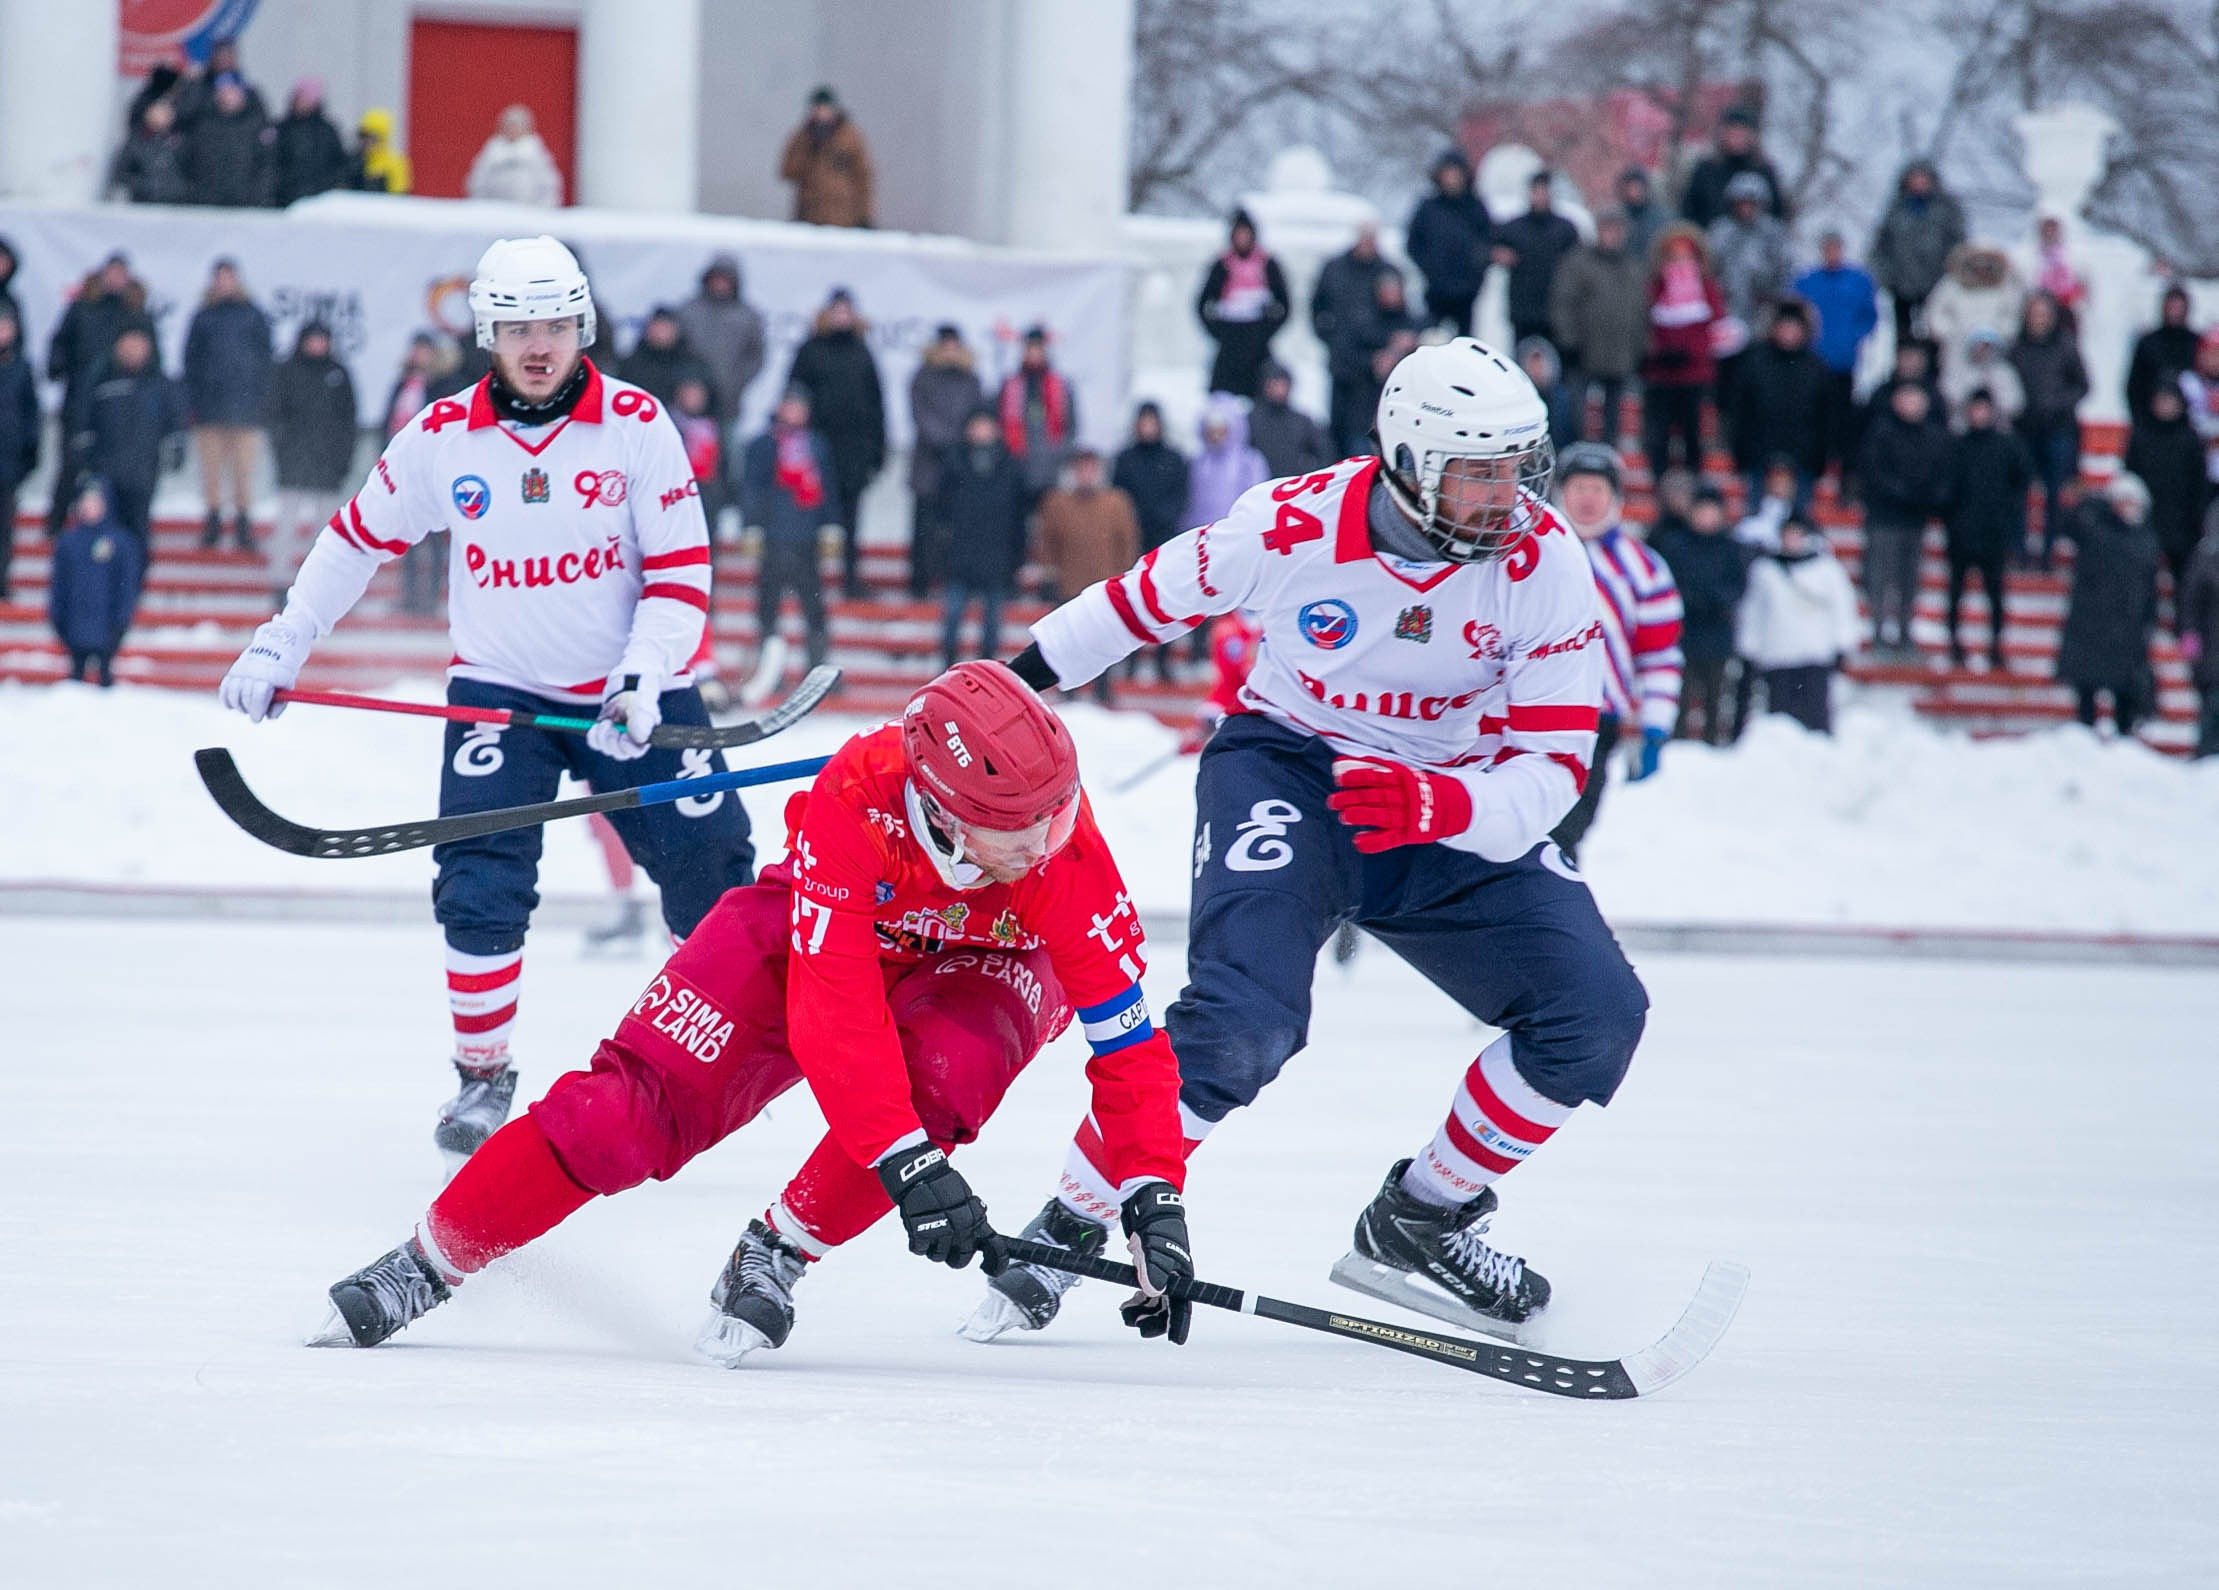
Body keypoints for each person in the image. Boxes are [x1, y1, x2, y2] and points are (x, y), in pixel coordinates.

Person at [968, 338, 1645, 1346]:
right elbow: (1135, 602)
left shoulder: (1542, 560)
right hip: (1286, 769)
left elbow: (1549, 775)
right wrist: (998, 690)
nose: (1509, 498)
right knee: (1243, 1023)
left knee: (1595, 1014)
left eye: (1518, 468)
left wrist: (1439, 808)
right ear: (1410, 462)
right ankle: (1070, 1222)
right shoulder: (1287, 526)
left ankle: (1420, 1218)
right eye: (1479, 473)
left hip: (1442, 803)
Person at [313, 661, 1196, 1361]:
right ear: (944, 810)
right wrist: (906, 1167)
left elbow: (1129, 1046)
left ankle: (780, 1247)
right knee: (623, 1113)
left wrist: (1153, 1193)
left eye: (1058, 815)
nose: (1048, 843)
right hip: (824, 939)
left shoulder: (1063, 859)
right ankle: (426, 1263)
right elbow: (835, 1011)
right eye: (1020, 829)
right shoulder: (857, 800)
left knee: (946, 1071)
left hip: (991, 961)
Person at [217, 236, 755, 1165]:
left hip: (635, 690)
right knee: (477, 882)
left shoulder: (637, 423)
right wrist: (283, 638)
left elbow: (680, 569)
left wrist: (640, 675)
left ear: (580, 324)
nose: (537, 344)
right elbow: (353, 542)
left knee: (713, 872)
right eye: (516, 326)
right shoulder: (439, 437)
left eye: (552, 324)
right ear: (486, 332)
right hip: (501, 691)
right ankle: (481, 1073)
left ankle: (711, 1062)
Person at [1546, 444, 1682, 863]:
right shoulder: (1530, 557)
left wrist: (1655, 728)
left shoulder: (1643, 567)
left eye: (1597, 489)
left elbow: (1659, 655)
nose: (1587, 499)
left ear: (1615, 498)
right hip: (1529, 718)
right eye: (1579, 487)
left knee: (1568, 833)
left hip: (1597, 723)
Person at [785, 288, 885, 598]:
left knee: (851, 523)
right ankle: (805, 581)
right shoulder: (810, 350)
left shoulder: (862, 352)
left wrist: (876, 453)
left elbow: (876, 406)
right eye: (836, 311)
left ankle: (850, 580)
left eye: (846, 311)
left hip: (852, 455)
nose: (842, 317)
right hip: (814, 452)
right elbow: (793, 397)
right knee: (808, 519)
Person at [45, 254, 154, 535]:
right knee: (72, 462)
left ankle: (112, 529)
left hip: (118, 404)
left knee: (113, 472)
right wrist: (58, 367)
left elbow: (152, 358)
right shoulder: (82, 308)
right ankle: (56, 522)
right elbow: (60, 343)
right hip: (79, 399)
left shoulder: (135, 313)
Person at [740, 385, 837, 673]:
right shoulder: (763, 444)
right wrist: (752, 525)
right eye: (790, 406)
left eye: (800, 406)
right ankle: (769, 670)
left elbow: (827, 487)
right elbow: (752, 487)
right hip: (773, 534)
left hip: (806, 536)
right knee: (768, 607)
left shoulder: (816, 444)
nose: (795, 412)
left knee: (814, 606)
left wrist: (830, 524)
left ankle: (817, 667)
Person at [2056, 473, 2161, 735]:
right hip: (2092, 623)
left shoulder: (2146, 540)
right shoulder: (2096, 529)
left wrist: (2150, 619)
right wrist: (2091, 502)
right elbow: (2070, 525)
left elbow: (2151, 586)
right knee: (2086, 692)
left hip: (2127, 627)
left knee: (2125, 695)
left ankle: (2123, 743)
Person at [1032, 449, 1140, 705]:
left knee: (1105, 643)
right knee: (1068, 643)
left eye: (1091, 468)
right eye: (1081, 468)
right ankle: (1067, 692)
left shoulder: (1116, 502)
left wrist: (1127, 576)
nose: (1086, 474)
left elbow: (1127, 541)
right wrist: (1049, 573)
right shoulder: (1057, 502)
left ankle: (1103, 693)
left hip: (1106, 587)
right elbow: (1047, 542)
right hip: (1069, 585)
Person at [1734, 514, 1861, 732]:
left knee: (1816, 720)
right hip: (1778, 655)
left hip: (1815, 655)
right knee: (1780, 724)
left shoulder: (1827, 569)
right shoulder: (1765, 570)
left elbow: (1844, 608)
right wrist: (1749, 648)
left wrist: (1844, 643)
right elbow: (1753, 612)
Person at [1855, 379, 1953, 656]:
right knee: (1880, 576)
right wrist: (1902, 493)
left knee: (1909, 579)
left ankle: (1905, 632)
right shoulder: (1880, 432)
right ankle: (1877, 633)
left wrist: (1928, 498)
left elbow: (1943, 472)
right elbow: (1874, 470)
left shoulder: (1934, 436)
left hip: (1916, 520)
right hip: (1884, 517)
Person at [182, 258, 274, 552]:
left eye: (229, 277)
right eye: (219, 278)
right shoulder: (203, 317)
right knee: (210, 470)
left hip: (245, 410)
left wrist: (261, 402)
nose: (224, 283)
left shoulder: (253, 315)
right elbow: (190, 363)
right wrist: (192, 404)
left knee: (244, 471)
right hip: (209, 409)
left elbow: (265, 361)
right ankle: (213, 520)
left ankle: (243, 522)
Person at [264, 322, 359, 601]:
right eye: (313, 340)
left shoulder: (338, 374)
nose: (317, 346)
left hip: (328, 465)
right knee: (286, 526)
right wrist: (284, 451)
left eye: (322, 340)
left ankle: (323, 582)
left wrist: (343, 461)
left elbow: (348, 422)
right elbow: (273, 414)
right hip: (294, 462)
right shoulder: (287, 371)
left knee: (327, 531)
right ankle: (280, 583)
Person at [1649, 482, 1745, 743]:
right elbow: (1667, 582)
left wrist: (1716, 600)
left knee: (1715, 694)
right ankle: (1676, 743)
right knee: (1681, 692)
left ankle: (1712, 744)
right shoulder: (1675, 544)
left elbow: (1738, 585)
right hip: (1685, 631)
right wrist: (1689, 600)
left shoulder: (1731, 547)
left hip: (1717, 631)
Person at [1944, 389, 2032, 671]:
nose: (1979, 414)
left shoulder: (2007, 445)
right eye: (1975, 408)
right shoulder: (1957, 445)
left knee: (1995, 593)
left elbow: (2023, 479)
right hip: (1961, 532)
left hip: (1994, 532)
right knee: (1956, 591)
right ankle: (1955, 643)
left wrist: (2007, 510)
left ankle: (1995, 645)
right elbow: (1946, 485)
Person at [936, 407, 1029, 670]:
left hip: (996, 558)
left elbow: (1018, 520)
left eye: (986, 426)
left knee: (991, 625)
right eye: (976, 426)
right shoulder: (954, 463)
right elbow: (941, 513)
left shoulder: (1010, 466)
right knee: (952, 620)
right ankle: (946, 671)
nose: (981, 432)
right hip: (960, 556)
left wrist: (1016, 559)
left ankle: (986, 675)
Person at [1548, 206, 1649, 447]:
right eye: (1607, 229)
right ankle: (1577, 448)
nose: (1612, 235)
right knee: (1577, 411)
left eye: (1617, 230)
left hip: (1620, 353)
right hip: (1584, 350)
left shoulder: (1633, 267)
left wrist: (1641, 346)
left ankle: (1608, 452)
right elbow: (1563, 301)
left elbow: (1641, 310)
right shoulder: (1578, 262)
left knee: (1614, 411)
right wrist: (1568, 340)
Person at [73, 326, 182, 546]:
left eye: (139, 344)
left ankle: (134, 579)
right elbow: (83, 420)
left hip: (144, 470)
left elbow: (174, 421)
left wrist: (176, 449)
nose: (133, 350)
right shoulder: (100, 380)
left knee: (138, 532)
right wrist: (85, 455)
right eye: (128, 344)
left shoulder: (160, 384)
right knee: (102, 533)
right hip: (105, 470)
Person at [1706, 171, 1794, 436]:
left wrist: (1767, 292)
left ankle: (1748, 429)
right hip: (1725, 316)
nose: (1746, 208)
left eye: (1751, 202)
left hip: (1760, 317)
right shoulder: (1721, 232)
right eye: (1741, 202)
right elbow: (1709, 270)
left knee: (1755, 375)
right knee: (1724, 377)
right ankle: (1722, 428)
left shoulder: (1773, 234)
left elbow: (1783, 273)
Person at [2009, 291, 2089, 567]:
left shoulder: (2065, 345)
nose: (2038, 319)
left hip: (2058, 429)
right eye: (2034, 313)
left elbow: (2083, 385)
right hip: (2023, 430)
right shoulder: (2016, 347)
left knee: (2055, 492)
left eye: (2043, 313)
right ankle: (2018, 549)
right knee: (2018, 490)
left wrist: (2059, 403)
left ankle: (2047, 552)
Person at [1112, 401, 1190, 684]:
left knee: (1165, 603)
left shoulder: (1174, 458)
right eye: (1142, 421)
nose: (1147, 427)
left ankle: (1162, 660)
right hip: (1132, 538)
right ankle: (1130, 659)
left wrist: (1163, 517)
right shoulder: (1125, 459)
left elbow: (1181, 496)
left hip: (1165, 539)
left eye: (1151, 421)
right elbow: (1118, 498)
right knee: (1131, 601)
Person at [1641, 224, 1725, 480]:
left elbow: (1715, 328)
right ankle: (1659, 483)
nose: (1680, 262)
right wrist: (1656, 352)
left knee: (1693, 435)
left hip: (1694, 375)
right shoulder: (1654, 287)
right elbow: (1641, 324)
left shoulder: (1707, 288)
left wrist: (1692, 353)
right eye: (1674, 256)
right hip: (1660, 375)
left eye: (1686, 256)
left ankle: (1694, 484)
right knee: (1658, 436)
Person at [1794, 231, 1880, 477]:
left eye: (1836, 248)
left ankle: (1842, 469)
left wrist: (1853, 337)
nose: (1832, 253)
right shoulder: (1807, 281)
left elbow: (1870, 316)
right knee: (1813, 415)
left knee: (1843, 417)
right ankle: (1816, 466)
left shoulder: (1858, 280)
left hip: (1844, 361)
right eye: (1827, 248)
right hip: (1812, 363)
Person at [906, 323, 983, 597]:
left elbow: (976, 415)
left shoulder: (971, 379)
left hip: (960, 465)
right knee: (924, 527)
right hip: (929, 464)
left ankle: (952, 580)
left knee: (956, 528)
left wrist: (959, 443)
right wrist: (947, 441)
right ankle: (920, 583)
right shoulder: (923, 377)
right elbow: (920, 415)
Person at [1730, 300, 1829, 512]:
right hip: (1759, 451)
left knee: (1798, 520)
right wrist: (1740, 451)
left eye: (1794, 328)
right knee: (1755, 518)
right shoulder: (1755, 361)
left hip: (1803, 454)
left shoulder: (1816, 367)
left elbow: (1826, 416)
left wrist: (1820, 456)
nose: (1789, 333)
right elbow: (1740, 409)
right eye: (1784, 326)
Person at [48, 476, 143, 687]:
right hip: (75, 623)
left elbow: (126, 587)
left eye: (95, 502)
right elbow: (59, 585)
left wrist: (121, 621)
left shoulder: (121, 543)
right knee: (75, 680)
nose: (89, 507)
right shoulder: (68, 542)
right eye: (86, 501)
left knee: (105, 679)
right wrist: (57, 618)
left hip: (106, 623)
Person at [1312, 224, 1401, 441]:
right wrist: (1328, 337)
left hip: (1376, 372)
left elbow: (1400, 315)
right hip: (1342, 362)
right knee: (1338, 428)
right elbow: (1316, 308)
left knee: (1369, 429)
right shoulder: (1335, 269)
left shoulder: (1387, 271)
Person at [1870, 161, 1966, 349]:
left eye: (1923, 178)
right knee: (1903, 337)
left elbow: (1959, 243)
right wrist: (1885, 276)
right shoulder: (1896, 209)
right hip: (1901, 285)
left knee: (1935, 333)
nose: (1919, 183)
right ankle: (1904, 373)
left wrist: (1950, 274)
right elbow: (1881, 246)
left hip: (1937, 284)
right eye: (1915, 178)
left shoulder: (1946, 209)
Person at [1196, 209, 1290, 401]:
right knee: (1223, 402)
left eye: (1246, 233)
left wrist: (1267, 329)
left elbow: (1285, 304)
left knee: (1262, 401)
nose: (1242, 238)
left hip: (1258, 346)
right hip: (1229, 345)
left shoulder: (1267, 264)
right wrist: (1218, 331)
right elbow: (1202, 304)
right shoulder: (1221, 265)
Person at [2127, 383, 2205, 613]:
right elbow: (2130, 477)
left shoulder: (2190, 439)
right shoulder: (2141, 435)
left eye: (2170, 401)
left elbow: (2198, 483)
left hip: (2180, 521)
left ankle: (2183, 625)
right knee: (2142, 576)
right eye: (2161, 400)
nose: (2165, 406)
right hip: (2146, 518)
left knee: (2183, 577)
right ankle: (2143, 621)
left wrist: (2195, 518)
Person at [1329, 270, 1422, 459]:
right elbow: (1341, 362)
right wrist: (1374, 362)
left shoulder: (1415, 325)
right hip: (1363, 416)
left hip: (1405, 420)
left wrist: (1409, 348)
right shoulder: (1360, 325)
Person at [674, 253, 766, 439]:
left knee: (729, 457)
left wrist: (736, 382)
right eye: (717, 278)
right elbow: (675, 350)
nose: (720, 284)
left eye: (726, 279)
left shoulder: (747, 315)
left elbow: (756, 356)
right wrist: (687, 381)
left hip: (727, 401)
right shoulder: (688, 310)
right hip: (689, 401)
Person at [1404, 149, 1491, 337]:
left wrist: (1475, 273)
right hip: (1436, 291)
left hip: (1467, 293)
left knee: (1465, 345)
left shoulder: (1476, 207)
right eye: (1447, 173)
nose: (1452, 179)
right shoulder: (1428, 208)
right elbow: (1413, 245)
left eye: (1456, 173)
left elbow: (1488, 244)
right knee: (1430, 341)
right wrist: (1431, 270)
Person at [1493, 170, 1581, 350]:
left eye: (1543, 191)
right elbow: (1487, 247)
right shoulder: (1514, 227)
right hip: (1523, 312)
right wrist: (1498, 254)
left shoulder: (1565, 229)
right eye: (1535, 191)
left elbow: (1579, 262)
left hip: (1555, 311)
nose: (1539, 197)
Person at [1926, 243, 2026, 392]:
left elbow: (2013, 314)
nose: (1981, 266)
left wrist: (1999, 332)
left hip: (1992, 347)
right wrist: (1950, 333)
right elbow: (1935, 312)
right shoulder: (1951, 285)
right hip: (1957, 347)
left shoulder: (2004, 286)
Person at [997, 325, 1078, 496]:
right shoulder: (1010, 385)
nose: (1034, 353)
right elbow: (999, 425)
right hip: (1016, 469)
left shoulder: (1061, 386)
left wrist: (1057, 454)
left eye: (1038, 348)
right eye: (1029, 348)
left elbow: (1072, 427)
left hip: (1051, 471)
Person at [780, 86, 873, 227]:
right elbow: (788, 171)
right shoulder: (802, 137)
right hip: (810, 214)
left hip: (844, 216)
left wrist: (864, 215)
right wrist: (809, 151)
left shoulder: (850, 137)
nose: (821, 113)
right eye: (817, 108)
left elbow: (863, 176)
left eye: (825, 108)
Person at [1679, 105, 1785, 229]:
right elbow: (1690, 212)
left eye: (1741, 132)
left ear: (1751, 136)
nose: (1736, 138)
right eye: (1732, 132)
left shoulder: (1764, 171)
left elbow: (1777, 215)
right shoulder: (1706, 170)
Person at [1184, 392, 1269, 533]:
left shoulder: (1249, 461)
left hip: (1238, 533)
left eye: (1221, 429)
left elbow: (1258, 499)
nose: (1215, 435)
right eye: (1211, 430)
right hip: (1203, 537)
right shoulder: (1198, 462)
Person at [0, 305, 36, 602]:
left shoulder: (21, 367)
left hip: (7, 461)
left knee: (4, 526)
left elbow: (30, 413)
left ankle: (2, 579)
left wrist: (29, 453)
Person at [2126, 285, 2198, 426]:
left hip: (2189, 424)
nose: (2175, 312)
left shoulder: (2195, 343)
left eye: (2179, 307)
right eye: (2171, 307)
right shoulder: (2148, 343)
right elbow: (2134, 386)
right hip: (2149, 422)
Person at [1248, 360, 1332, 478]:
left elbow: (1325, 453)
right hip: (1259, 486)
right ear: (1264, 386)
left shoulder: (1302, 421)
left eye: (1283, 385)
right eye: (1274, 385)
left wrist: (1307, 474)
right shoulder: (1251, 420)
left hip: (1292, 487)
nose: (1279, 390)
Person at [465, 104, 562, 206]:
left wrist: (547, 206)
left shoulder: (535, 150)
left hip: (529, 210)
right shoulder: (492, 150)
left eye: (517, 125)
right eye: (509, 125)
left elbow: (548, 182)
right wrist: (479, 204)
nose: (512, 129)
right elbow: (478, 178)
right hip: (495, 210)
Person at [271, 78, 348, 206]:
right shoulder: (281, 129)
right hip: (285, 200)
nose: (304, 101)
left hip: (320, 201)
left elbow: (339, 163)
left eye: (308, 97)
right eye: (301, 96)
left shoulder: (327, 130)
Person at [2180, 509, 2219, 756]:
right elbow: (2190, 601)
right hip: (2212, 645)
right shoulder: (2205, 557)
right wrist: (2190, 634)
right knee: (2212, 703)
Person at [617, 307, 710, 410]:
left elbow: (708, 402)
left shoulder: (691, 363)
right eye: (657, 327)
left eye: (665, 328)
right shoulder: (631, 364)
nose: (661, 333)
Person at [110, 98, 192, 205]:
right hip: (142, 205)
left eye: (167, 113)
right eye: (159, 112)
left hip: (173, 207)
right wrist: (148, 185)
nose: (163, 117)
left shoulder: (181, 142)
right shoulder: (135, 143)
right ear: (148, 114)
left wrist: (177, 188)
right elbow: (120, 175)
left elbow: (190, 173)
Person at [1941, 328, 2023, 431]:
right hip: (1963, 430)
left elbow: (2015, 404)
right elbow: (1949, 396)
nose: (1983, 350)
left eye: (1987, 347)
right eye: (1979, 345)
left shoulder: (2005, 372)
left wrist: (1993, 398)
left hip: (1997, 431)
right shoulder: (1958, 370)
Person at [1516, 336, 1582, 452]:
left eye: (1540, 365)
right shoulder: (1517, 400)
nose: (1537, 370)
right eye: (1532, 365)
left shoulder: (1564, 399)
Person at [347, 108, 412, 194]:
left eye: (371, 137)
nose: (365, 142)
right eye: (363, 137)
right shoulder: (355, 161)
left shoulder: (395, 163)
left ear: (382, 138)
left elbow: (400, 198)